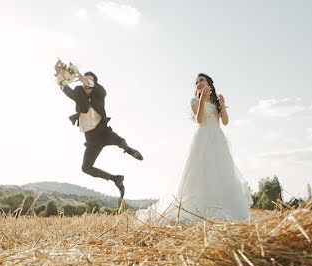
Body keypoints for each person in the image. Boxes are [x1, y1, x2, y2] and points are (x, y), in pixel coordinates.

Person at [137, 73, 252, 223]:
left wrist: (222, 105)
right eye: (196, 82)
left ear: (209, 83)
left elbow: (225, 121)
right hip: (202, 138)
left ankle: (222, 209)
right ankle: (196, 210)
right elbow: (199, 120)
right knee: (199, 172)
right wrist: (203, 100)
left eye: (201, 80)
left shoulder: (216, 102)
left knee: (219, 172)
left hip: (218, 140)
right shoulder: (195, 101)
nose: (198, 83)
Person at [55, 61, 143, 201]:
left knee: (120, 141)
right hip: (91, 139)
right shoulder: (78, 93)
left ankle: (129, 149)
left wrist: (79, 74)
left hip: (104, 132)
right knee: (86, 168)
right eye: (84, 81)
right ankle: (116, 179)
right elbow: (65, 88)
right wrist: (60, 73)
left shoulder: (101, 93)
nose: (86, 83)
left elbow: (92, 84)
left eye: (90, 81)